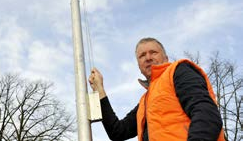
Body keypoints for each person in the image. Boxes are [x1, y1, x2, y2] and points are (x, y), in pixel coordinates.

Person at [88, 37, 225, 141]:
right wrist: (100, 90)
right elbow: (117, 132)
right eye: (142, 56)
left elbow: (206, 113)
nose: (148, 58)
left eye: (153, 52)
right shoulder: (145, 101)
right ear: (139, 65)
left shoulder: (178, 71)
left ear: (165, 57)